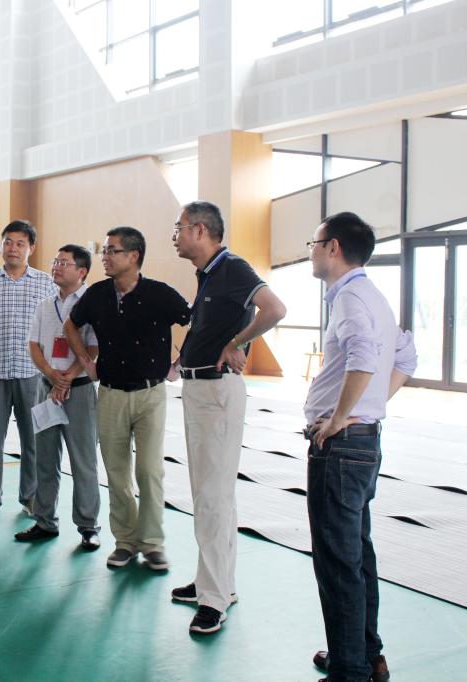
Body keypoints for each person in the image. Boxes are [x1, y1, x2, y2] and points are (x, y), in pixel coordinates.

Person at [303, 212, 416, 682]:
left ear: (332, 247)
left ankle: (349, 669)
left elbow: (365, 358)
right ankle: (366, 655)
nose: (310, 252)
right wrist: (369, 407)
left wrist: (339, 417)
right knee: (357, 554)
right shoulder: (374, 297)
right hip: (363, 442)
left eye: (313, 243)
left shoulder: (349, 297)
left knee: (337, 562)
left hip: (342, 446)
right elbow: (407, 357)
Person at [168, 201, 287, 635]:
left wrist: (237, 343)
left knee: (213, 497)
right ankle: (214, 582)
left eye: (179, 228)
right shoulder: (207, 274)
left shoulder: (232, 267)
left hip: (216, 392)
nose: (175, 236)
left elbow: (274, 309)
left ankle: (214, 599)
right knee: (210, 493)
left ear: (201, 230)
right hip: (198, 388)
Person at [64, 226, 190, 571]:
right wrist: (86, 362)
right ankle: (125, 542)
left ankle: (152, 543)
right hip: (110, 395)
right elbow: (71, 326)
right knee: (117, 473)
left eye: (112, 251)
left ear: (133, 256)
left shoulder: (160, 294)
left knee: (149, 471)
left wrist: (178, 365)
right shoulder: (97, 294)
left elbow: (194, 321)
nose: (104, 256)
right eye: (104, 250)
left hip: (151, 395)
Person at [15, 244, 102, 550]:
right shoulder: (45, 305)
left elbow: (93, 348)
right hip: (46, 388)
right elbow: (34, 345)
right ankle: (44, 521)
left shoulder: (92, 304)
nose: (56, 266)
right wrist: (51, 374)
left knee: (83, 461)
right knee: (45, 458)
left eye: (64, 263)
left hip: (79, 391)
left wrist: (67, 378)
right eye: (56, 261)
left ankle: (88, 526)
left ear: (82, 271)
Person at [0, 220, 57, 521]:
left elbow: (53, 326)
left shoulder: (46, 283)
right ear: (1, 245)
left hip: (33, 374)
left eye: (20, 243)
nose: (13, 248)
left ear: (31, 248)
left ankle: (30, 497)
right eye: (8, 242)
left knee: (32, 440)